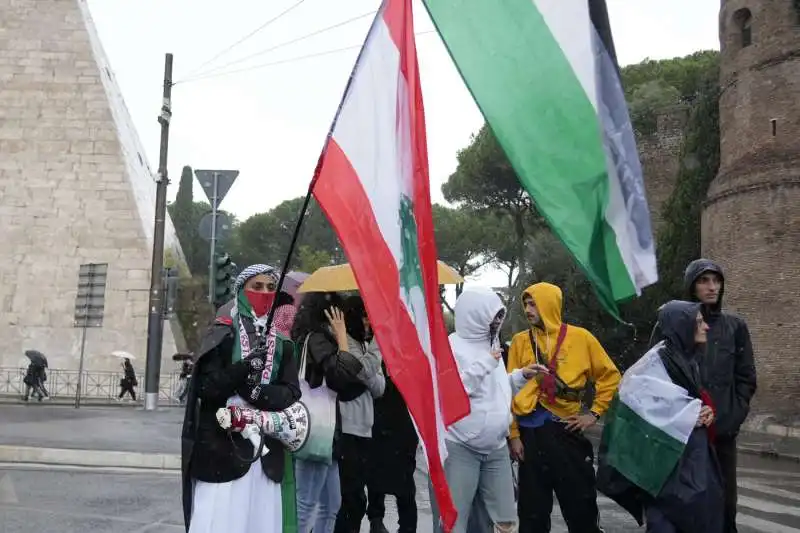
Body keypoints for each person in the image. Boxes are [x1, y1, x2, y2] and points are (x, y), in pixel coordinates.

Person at [180, 264, 301, 533]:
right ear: (241, 291)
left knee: (262, 521)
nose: (264, 293)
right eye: (256, 287)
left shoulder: (281, 340)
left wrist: (258, 394)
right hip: (223, 451)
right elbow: (206, 388)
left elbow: (292, 391)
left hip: (266, 451)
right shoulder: (223, 331)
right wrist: (244, 367)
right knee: (223, 521)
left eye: (270, 288)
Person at [598, 300, 723, 533]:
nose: (706, 326)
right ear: (681, 326)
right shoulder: (658, 363)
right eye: (698, 322)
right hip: (669, 465)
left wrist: (705, 410)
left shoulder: (688, 358)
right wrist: (686, 415)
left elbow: (689, 399)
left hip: (692, 460)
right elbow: (637, 399)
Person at [507, 282, 620, 533]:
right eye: (525, 303)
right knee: (532, 515)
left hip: (566, 432)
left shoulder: (581, 338)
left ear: (549, 304)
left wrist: (593, 413)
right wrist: (514, 436)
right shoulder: (519, 342)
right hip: (530, 436)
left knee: (581, 509)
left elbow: (609, 376)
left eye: (533, 303)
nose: (528, 309)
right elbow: (507, 392)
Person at [431, 289, 537, 533]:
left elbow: (495, 389)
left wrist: (521, 376)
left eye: (501, 316)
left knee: (506, 522)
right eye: (494, 317)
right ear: (474, 315)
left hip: (496, 447)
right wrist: (486, 363)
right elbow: (452, 393)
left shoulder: (492, 344)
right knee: (453, 522)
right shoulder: (451, 346)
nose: (498, 322)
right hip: (461, 447)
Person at [683, 259, 756, 533]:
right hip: (685, 433)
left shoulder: (735, 327)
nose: (712, 287)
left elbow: (746, 378)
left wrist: (731, 420)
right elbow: (660, 376)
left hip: (723, 434)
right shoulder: (677, 321)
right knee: (687, 506)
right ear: (691, 286)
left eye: (716, 281)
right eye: (704, 281)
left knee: (725, 508)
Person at [291, 292, 366, 533]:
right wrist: (343, 338)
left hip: (326, 434)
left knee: (330, 505)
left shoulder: (315, 338)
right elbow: (340, 376)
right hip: (318, 432)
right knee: (307, 504)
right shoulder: (318, 340)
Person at [334, 296, 386, 533]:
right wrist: (379, 344)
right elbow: (364, 370)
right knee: (351, 500)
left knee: (357, 498)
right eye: (364, 316)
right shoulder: (346, 345)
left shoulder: (363, 346)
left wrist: (367, 371)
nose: (368, 322)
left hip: (365, 427)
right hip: (347, 428)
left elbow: (379, 387)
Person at [366, 359, 419, 533]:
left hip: (403, 422)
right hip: (378, 418)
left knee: (405, 485)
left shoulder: (408, 352)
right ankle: (376, 521)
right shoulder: (374, 346)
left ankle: (407, 527)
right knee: (375, 476)